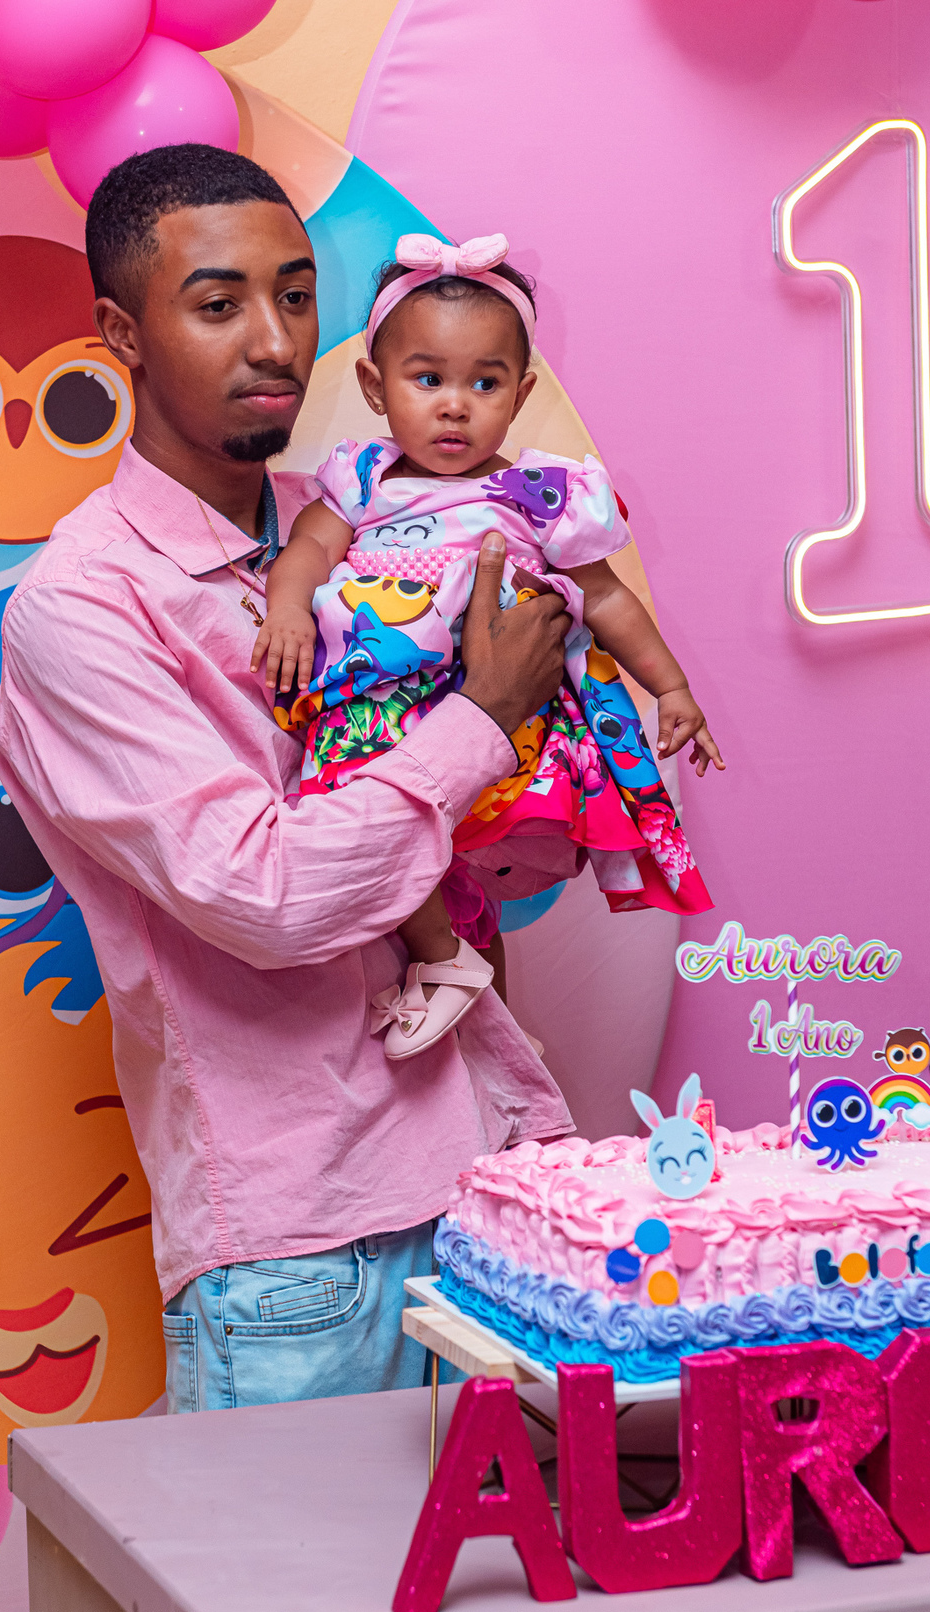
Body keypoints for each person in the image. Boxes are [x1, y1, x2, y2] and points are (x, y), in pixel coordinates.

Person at [0, 144, 574, 1414]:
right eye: (219, 304)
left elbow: (506, 806)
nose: (274, 341)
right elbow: (268, 895)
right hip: (307, 1262)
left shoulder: (370, 520)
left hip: (489, 1181)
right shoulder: (84, 608)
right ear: (121, 334)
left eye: (297, 296)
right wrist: (481, 716)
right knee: (297, 1562)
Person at [256, 233, 723, 1062]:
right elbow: (308, 552)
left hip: (502, 719)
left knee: (462, 872)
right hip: (381, 700)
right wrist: (288, 610)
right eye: (427, 379)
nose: (455, 406)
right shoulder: (361, 481)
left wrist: (672, 687)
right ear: (374, 386)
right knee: (372, 822)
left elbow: (606, 596)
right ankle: (446, 965)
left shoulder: (538, 494)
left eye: (484, 382)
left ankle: (480, 1014)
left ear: (521, 392)